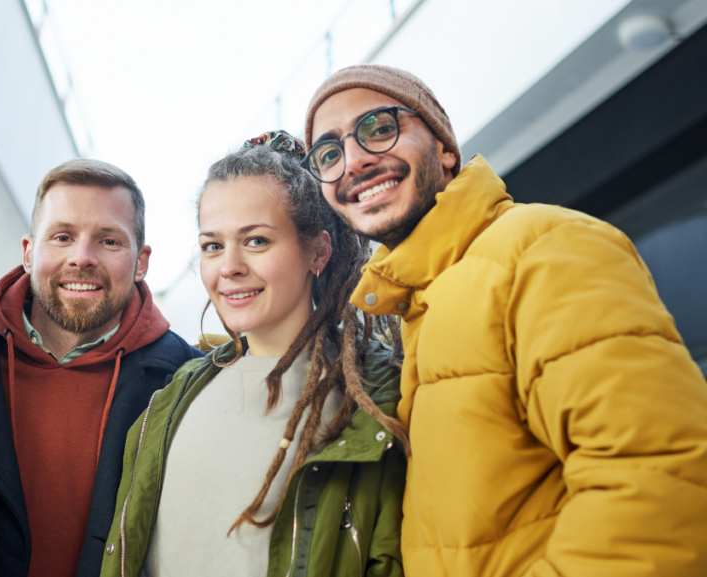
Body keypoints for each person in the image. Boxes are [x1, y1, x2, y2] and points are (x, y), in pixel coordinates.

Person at [303, 64, 707, 575]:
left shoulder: (542, 246)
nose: (355, 162)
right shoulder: (418, 308)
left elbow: (659, 485)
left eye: (379, 128)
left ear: (445, 148)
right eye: (330, 154)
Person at [99, 132, 407, 577]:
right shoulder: (169, 400)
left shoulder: (378, 398)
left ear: (318, 250)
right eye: (212, 245)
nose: (229, 267)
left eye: (257, 241)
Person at [0, 159, 201, 577]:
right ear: (29, 251)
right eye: (62, 236)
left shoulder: (189, 382)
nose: (82, 258)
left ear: (141, 261)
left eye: (108, 241)